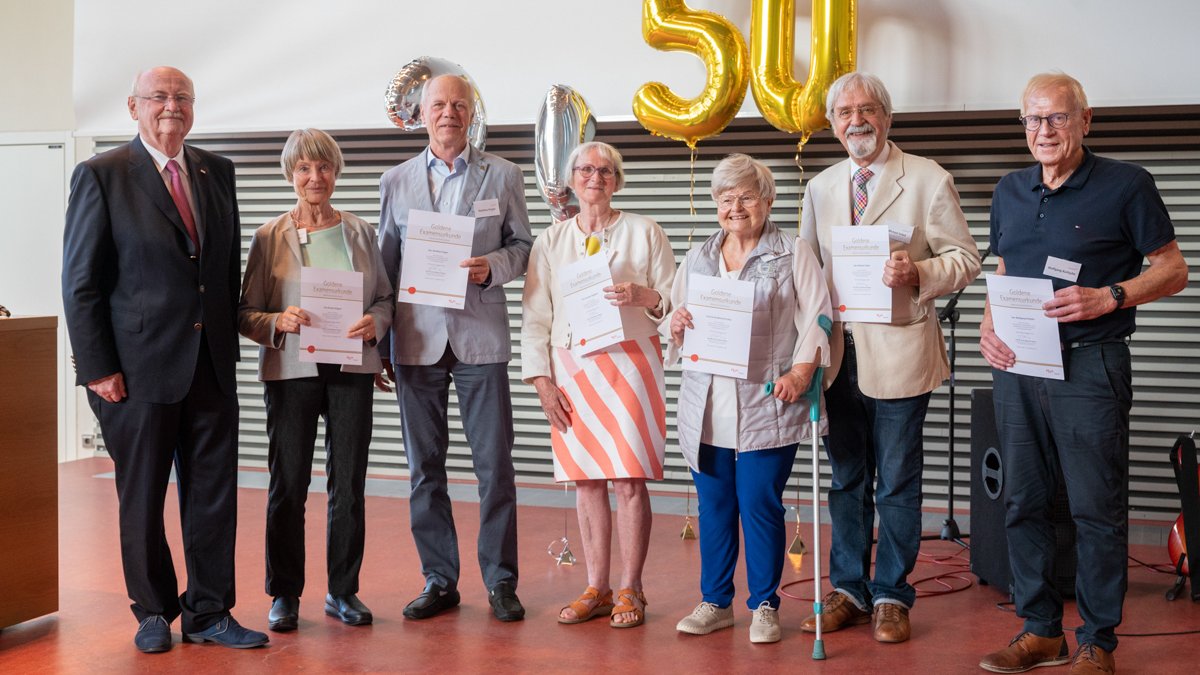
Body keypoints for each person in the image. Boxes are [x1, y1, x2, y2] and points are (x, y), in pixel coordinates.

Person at [977, 73, 1188, 675]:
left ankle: (1098, 640)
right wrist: (989, 328)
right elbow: (1003, 265)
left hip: (1092, 363)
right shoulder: (1009, 189)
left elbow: (1174, 270)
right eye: (1033, 120)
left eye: (1057, 118)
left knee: (1095, 508)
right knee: (1023, 502)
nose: (1044, 131)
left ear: (1085, 120)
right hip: (1018, 367)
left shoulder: (1127, 185)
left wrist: (1112, 295)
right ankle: (1041, 632)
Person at [61, 66, 267, 652]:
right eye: (159, 96)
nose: (171, 105)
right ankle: (152, 610)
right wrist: (97, 367)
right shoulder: (101, 175)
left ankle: (209, 612)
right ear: (133, 107)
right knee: (142, 496)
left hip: (209, 364)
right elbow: (81, 283)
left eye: (182, 97)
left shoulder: (216, 171)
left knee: (212, 494)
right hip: (135, 371)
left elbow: (223, 273)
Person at [799, 71, 980, 644]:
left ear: (888, 117)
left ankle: (891, 596)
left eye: (868, 109)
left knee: (896, 481)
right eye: (845, 111)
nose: (857, 120)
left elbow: (966, 259)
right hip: (837, 356)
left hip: (900, 351)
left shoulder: (927, 178)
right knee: (847, 477)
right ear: (832, 124)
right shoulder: (822, 187)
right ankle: (849, 588)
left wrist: (920, 271)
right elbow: (806, 276)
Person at [376, 74, 533, 622]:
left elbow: (523, 246)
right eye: (438, 105)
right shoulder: (395, 180)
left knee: (495, 466)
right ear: (421, 114)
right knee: (425, 468)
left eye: (459, 105)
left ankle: (501, 580)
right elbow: (384, 267)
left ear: (471, 114)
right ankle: (439, 579)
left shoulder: (504, 174)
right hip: (415, 340)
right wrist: (379, 346)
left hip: (480, 337)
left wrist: (495, 268)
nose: (448, 113)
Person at [667, 153, 831, 644]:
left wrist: (802, 372)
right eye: (725, 198)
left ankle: (764, 604)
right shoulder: (698, 255)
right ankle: (715, 602)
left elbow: (820, 317)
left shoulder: (792, 251)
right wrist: (674, 323)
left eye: (746, 197)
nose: (735, 207)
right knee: (714, 505)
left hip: (767, 402)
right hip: (708, 404)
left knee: (759, 504)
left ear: (767, 200)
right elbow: (676, 321)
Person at [238, 129, 395, 632]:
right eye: (304, 168)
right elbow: (245, 312)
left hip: (351, 369)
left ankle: (343, 591)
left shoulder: (360, 232)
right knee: (289, 485)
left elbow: (385, 298)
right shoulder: (269, 236)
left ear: (336, 173)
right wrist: (276, 322)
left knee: (348, 485)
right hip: (291, 372)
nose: (315, 178)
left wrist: (378, 322)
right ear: (291, 174)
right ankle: (284, 593)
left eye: (324, 168)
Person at [521, 141, 675, 628]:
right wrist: (542, 382)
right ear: (571, 179)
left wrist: (644, 294)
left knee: (628, 479)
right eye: (585, 169)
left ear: (618, 179)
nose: (595, 177)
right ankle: (597, 587)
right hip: (572, 367)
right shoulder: (550, 241)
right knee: (586, 481)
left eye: (606, 170)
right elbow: (534, 318)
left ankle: (632, 588)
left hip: (631, 363)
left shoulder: (644, 231)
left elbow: (674, 300)